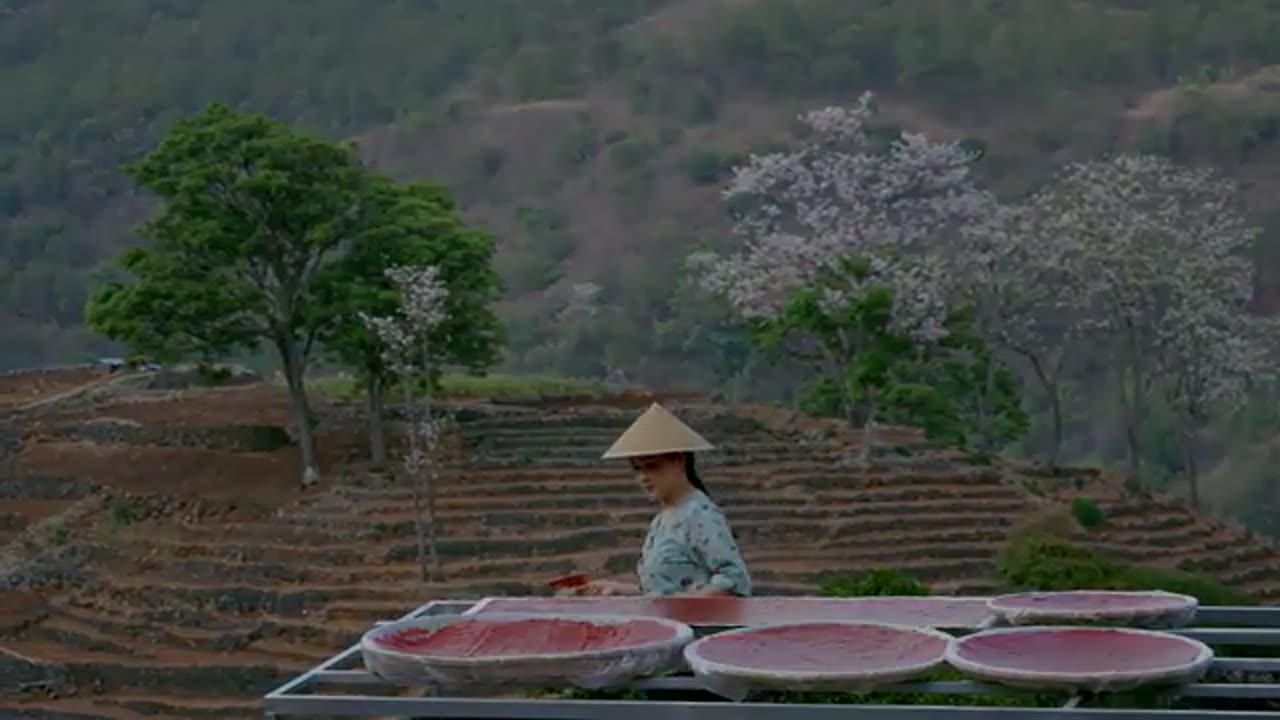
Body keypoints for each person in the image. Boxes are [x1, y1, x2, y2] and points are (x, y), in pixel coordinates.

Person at [575, 403, 751, 598]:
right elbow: (662, 593)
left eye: (652, 467)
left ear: (678, 460)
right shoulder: (662, 520)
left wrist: (687, 604)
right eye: (638, 469)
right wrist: (617, 589)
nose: (643, 477)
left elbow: (734, 579)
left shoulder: (699, 515)